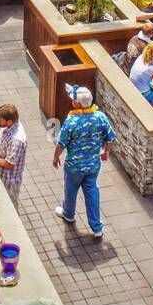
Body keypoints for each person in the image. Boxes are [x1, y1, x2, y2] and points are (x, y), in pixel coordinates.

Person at [53, 85, 115, 239]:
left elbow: (61, 143)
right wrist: (106, 152)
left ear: (78, 103)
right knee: (92, 192)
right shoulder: (100, 117)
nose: (72, 101)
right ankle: (97, 227)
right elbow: (110, 137)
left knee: (71, 190)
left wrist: (56, 157)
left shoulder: (72, 121)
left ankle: (68, 213)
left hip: (74, 167)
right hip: (93, 165)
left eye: (73, 99)